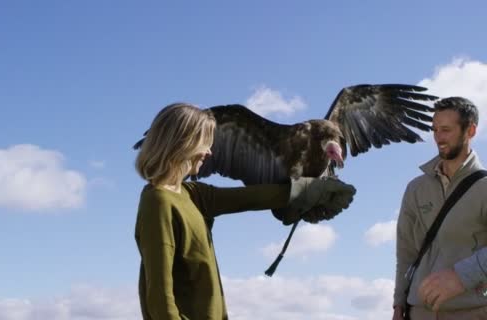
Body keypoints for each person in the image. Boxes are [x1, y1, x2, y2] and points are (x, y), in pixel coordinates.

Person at [134, 102, 356, 319]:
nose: (210, 152)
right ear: (182, 143)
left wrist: (309, 191)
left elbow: (249, 198)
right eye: (205, 143)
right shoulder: (158, 202)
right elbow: (160, 302)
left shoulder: (191, 194)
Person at [393, 97, 487, 320]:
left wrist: (461, 276)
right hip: (419, 312)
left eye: (446, 130)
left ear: (470, 131)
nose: (438, 138)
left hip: (473, 311)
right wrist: (398, 304)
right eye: (435, 130)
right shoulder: (415, 188)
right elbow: (406, 251)